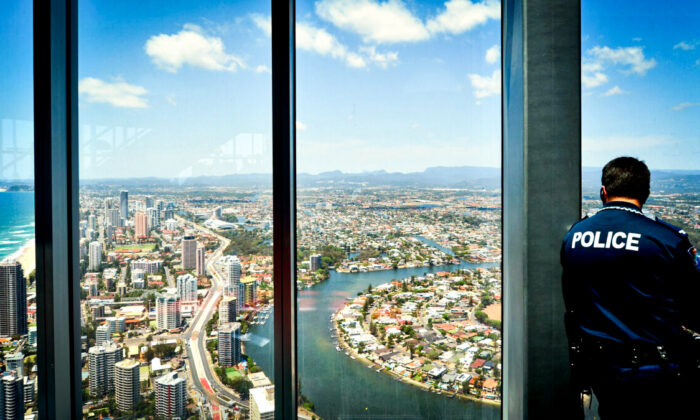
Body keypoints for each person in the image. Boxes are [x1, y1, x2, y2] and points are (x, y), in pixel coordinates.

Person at [561, 157, 700, 419]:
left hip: (600, 369)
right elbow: (694, 307)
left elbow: (572, 302)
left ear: (603, 191)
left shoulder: (575, 236)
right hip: (657, 370)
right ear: (646, 194)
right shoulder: (665, 239)